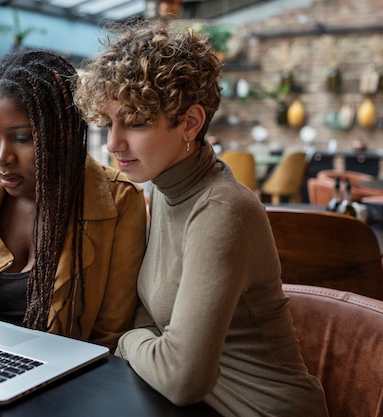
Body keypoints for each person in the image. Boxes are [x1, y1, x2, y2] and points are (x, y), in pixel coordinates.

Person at [74, 20, 329, 416]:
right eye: (109, 122)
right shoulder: (160, 187)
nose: (112, 143)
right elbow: (151, 319)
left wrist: (126, 342)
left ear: (190, 123)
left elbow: (182, 377)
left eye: (135, 122)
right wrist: (144, 340)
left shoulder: (222, 210)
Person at [0, 49, 147, 352]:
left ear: (64, 134)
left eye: (21, 138)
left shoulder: (120, 201)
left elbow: (109, 337)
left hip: (65, 378)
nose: (2, 157)